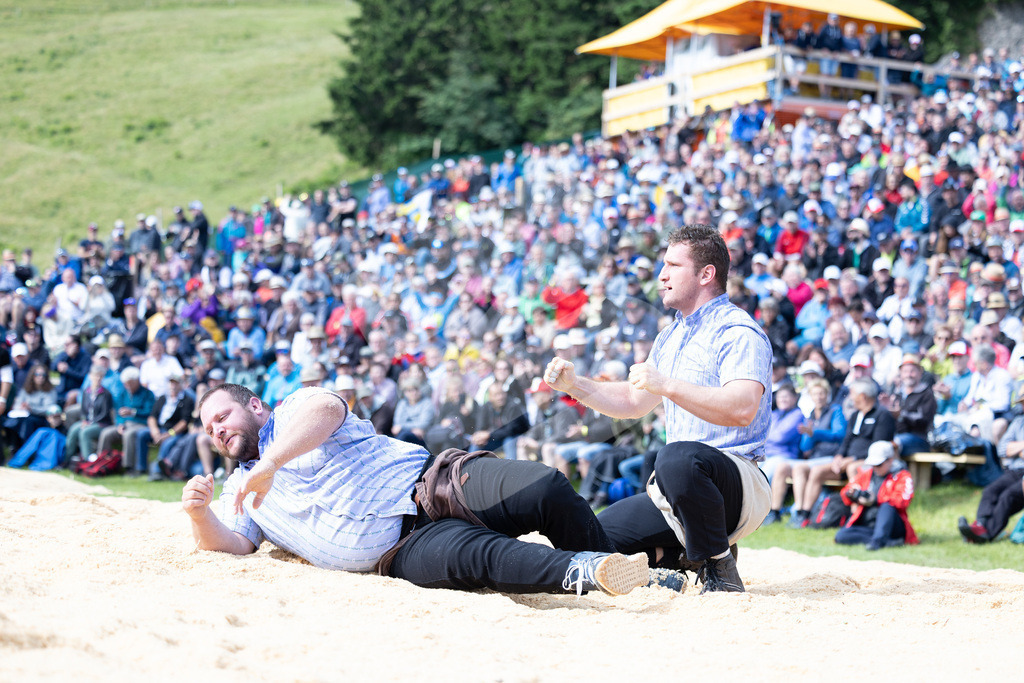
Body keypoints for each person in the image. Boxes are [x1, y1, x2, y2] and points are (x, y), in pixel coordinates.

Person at [184, 383, 670, 596]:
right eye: (209, 429)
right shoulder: (239, 486)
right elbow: (236, 543)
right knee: (484, 557)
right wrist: (200, 514)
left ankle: (633, 561)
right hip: (400, 547)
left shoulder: (294, 409)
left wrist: (271, 463)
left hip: (435, 483)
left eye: (223, 416)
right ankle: (592, 570)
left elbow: (328, 410)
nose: (218, 430)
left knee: (545, 487)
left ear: (255, 406)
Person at [545, 225, 773, 593]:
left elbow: (742, 408)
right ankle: (671, 564)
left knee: (675, 457)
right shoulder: (671, 335)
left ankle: (719, 567)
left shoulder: (737, 331)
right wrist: (575, 385)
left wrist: (667, 385)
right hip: (676, 488)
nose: (661, 275)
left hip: (737, 481)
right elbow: (633, 402)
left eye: (672, 266)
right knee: (585, 540)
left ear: (706, 274)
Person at [835, 441, 918, 551]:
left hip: (892, 525)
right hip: (869, 525)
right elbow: (845, 493)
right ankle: (885, 542)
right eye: (873, 464)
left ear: (890, 460)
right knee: (841, 535)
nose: (875, 468)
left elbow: (903, 501)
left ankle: (878, 541)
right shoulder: (867, 474)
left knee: (886, 506)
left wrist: (875, 499)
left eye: (878, 464)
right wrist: (852, 494)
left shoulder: (902, 476)